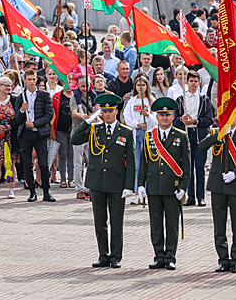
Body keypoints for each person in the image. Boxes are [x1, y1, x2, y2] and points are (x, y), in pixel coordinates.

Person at [71, 94, 135, 268]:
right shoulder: (94, 129)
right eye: (104, 111)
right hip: (97, 181)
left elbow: (130, 161)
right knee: (100, 221)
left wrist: (130, 185)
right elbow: (75, 139)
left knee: (116, 221)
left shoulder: (126, 132)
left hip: (116, 182)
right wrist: (89, 120)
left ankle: (115, 256)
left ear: (116, 111)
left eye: (111, 111)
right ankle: (103, 255)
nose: (108, 114)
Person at [138, 97, 191, 271]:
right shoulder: (149, 136)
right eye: (161, 115)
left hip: (172, 187)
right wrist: (141, 185)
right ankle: (158, 256)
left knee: (172, 224)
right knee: (156, 224)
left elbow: (186, 166)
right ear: (157, 116)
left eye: (167, 115)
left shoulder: (181, 136)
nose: (164, 118)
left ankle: (170, 257)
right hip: (154, 186)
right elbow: (144, 163)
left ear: (173, 115)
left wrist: (183, 188)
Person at [199, 101, 236, 274]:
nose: (229, 117)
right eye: (226, 113)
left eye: (233, 113)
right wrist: (219, 134)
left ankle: (235, 260)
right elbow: (202, 146)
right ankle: (223, 259)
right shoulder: (217, 133)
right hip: (218, 185)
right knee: (219, 225)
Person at [14, 69, 55, 202]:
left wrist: (36, 124)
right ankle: (32, 191)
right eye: (29, 79)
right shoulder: (21, 97)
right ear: (24, 80)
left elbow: (48, 115)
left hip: (40, 133)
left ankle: (46, 192)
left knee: (43, 163)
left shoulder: (44, 95)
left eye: (34, 79)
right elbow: (16, 120)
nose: (32, 82)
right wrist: (21, 111)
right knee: (27, 164)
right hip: (26, 134)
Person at [174, 71, 212, 207]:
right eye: (191, 81)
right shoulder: (180, 99)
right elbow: (175, 119)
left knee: (200, 167)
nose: (193, 84)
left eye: (196, 81)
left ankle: (201, 196)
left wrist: (195, 121)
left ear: (199, 83)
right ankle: (190, 196)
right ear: (187, 82)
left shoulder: (204, 99)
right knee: (187, 168)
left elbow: (209, 120)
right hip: (185, 135)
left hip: (199, 136)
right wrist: (181, 120)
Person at [123, 76, 157, 205]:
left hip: (147, 134)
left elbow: (155, 120)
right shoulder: (132, 101)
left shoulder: (151, 100)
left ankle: (147, 191)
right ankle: (137, 192)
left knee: (146, 163)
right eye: (138, 85)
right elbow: (127, 116)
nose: (140, 87)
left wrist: (148, 116)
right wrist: (137, 124)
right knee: (137, 164)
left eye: (143, 85)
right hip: (135, 133)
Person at [70, 77, 93, 200]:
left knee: (91, 162)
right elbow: (74, 113)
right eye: (83, 86)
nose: (85, 89)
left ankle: (89, 187)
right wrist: (82, 116)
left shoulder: (92, 97)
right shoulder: (74, 97)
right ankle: (79, 188)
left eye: (87, 86)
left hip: (91, 134)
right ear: (78, 86)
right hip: (78, 134)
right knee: (78, 163)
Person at [52, 76, 75, 189]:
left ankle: (71, 179)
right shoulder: (57, 97)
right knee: (62, 154)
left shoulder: (76, 95)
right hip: (60, 130)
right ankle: (63, 179)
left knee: (72, 155)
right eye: (66, 82)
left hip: (74, 130)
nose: (69, 84)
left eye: (71, 82)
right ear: (62, 83)